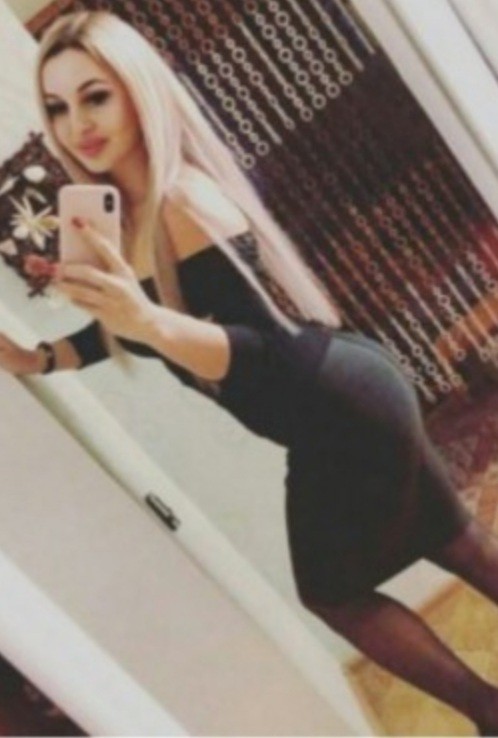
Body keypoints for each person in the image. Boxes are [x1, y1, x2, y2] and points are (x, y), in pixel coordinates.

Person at [1, 11, 498, 733]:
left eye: (95, 95)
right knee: (451, 536)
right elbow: (125, 330)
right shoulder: (132, 217)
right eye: (57, 106)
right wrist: (41, 357)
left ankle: (488, 711)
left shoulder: (180, 201)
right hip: (347, 395)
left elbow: (265, 349)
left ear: (138, 91)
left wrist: (148, 321)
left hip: (336, 409)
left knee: (333, 594)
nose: (77, 123)